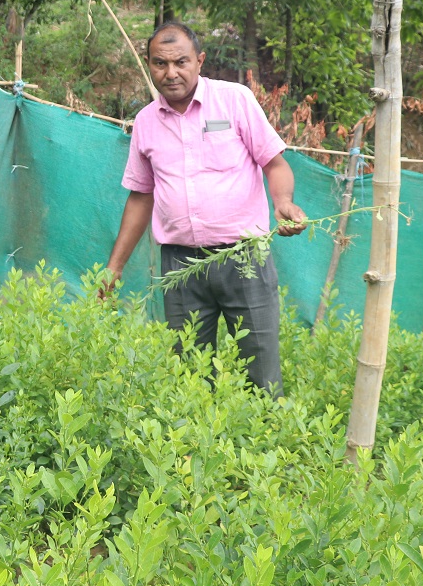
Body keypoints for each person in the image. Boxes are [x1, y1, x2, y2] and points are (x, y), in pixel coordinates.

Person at [104, 21, 305, 397]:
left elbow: (274, 164)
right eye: (160, 64)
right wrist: (114, 268)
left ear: (200, 60)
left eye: (181, 62)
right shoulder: (146, 122)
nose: (171, 73)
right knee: (190, 379)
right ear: (149, 65)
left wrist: (283, 203)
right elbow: (140, 197)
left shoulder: (235, 100)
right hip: (180, 268)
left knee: (260, 374)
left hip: (243, 258)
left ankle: (268, 449)